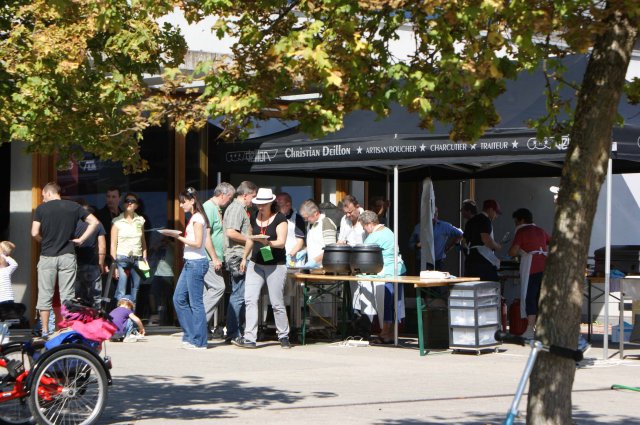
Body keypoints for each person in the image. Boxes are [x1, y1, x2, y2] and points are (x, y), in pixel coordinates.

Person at [31, 182, 100, 336]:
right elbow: (94, 222)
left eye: (43, 196)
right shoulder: (74, 206)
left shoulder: (42, 209)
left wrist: (44, 241)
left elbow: (34, 232)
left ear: (49, 193)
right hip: (67, 255)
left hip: (47, 256)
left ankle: (44, 330)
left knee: (45, 295)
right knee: (67, 295)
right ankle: (66, 329)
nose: (43, 199)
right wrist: (81, 239)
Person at [233, 188, 291, 349]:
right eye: (258, 204)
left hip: (275, 264)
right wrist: (244, 257)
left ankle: (283, 335)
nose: (260, 207)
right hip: (256, 262)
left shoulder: (280, 218)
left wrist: (268, 243)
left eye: (263, 204)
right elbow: (250, 238)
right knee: (250, 299)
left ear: (271, 203)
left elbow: (282, 242)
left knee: (276, 302)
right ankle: (249, 337)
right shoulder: (254, 216)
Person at [166, 187, 211, 350]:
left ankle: (199, 341)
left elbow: (198, 243)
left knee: (195, 303)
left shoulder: (198, 218)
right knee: (178, 299)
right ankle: (191, 335)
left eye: (183, 202)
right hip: (190, 262)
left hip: (196, 263)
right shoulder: (195, 217)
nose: (181, 205)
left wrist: (178, 237)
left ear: (192, 201)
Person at [358, 210, 406, 344]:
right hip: (399, 269)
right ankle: (392, 334)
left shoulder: (373, 237)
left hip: (387, 272)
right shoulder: (388, 231)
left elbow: (363, 256)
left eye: (364, 227)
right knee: (396, 303)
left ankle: (385, 333)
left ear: (369, 224)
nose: (365, 230)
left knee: (387, 304)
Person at [508, 208, 550, 339]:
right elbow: (552, 241)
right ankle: (543, 328)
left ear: (521, 220)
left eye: (516, 222)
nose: (515, 224)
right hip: (545, 267)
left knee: (529, 298)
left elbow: (513, 252)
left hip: (532, 267)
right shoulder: (540, 230)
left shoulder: (521, 231)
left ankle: (530, 328)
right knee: (541, 298)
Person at [223, 181, 258, 343]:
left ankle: (235, 331)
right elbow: (231, 232)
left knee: (240, 294)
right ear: (245, 195)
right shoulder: (236, 208)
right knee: (239, 295)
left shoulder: (239, 208)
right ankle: (234, 333)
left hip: (239, 255)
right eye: (253, 196)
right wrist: (251, 240)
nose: (254, 200)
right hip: (237, 256)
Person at [202, 182, 235, 331]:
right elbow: (206, 235)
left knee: (207, 291)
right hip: (209, 258)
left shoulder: (216, 208)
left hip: (214, 257)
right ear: (222, 195)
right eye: (229, 198)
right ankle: (199, 323)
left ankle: (200, 327)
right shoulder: (209, 208)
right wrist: (215, 258)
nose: (229, 201)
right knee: (218, 287)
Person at [111, 192, 147, 303]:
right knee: (121, 289)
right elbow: (113, 244)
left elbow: (143, 241)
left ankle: (132, 314)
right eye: (127, 201)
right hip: (122, 258)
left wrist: (145, 258)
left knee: (135, 288)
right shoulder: (117, 221)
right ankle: (120, 313)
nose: (129, 203)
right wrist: (114, 266)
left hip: (138, 258)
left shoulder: (140, 220)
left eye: (132, 201)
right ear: (123, 204)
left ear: (137, 205)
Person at [409, 207, 463, 272]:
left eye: (436, 212)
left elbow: (461, 234)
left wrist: (450, 246)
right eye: (432, 212)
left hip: (438, 262)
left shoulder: (445, 226)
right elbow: (410, 245)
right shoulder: (418, 227)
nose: (435, 214)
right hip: (422, 263)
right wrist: (417, 245)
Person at [74, 201, 107, 307]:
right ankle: (95, 316)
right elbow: (102, 246)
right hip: (92, 264)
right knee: (95, 297)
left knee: (78, 297)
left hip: (76, 264)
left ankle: (79, 316)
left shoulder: (74, 224)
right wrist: (101, 263)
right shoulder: (98, 224)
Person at [462, 199, 502, 281]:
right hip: (482, 261)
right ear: (490, 209)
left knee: (471, 284)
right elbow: (485, 239)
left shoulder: (470, 221)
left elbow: (464, 242)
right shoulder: (485, 220)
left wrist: (469, 254)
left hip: (470, 260)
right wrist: (497, 246)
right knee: (488, 285)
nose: (496, 216)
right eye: (496, 212)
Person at [299, 199, 337, 267]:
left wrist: (314, 261)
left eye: (307, 218)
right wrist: (305, 250)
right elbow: (315, 244)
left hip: (325, 268)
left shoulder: (326, 223)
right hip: (314, 269)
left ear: (315, 213)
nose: (305, 220)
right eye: (304, 218)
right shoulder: (310, 224)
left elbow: (330, 250)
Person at [276, 192, 306, 266]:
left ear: (288, 205)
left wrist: (289, 256)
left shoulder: (297, 219)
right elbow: (265, 242)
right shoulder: (268, 219)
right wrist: (267, 259)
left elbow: (300, 242)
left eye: (279, 205)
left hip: (292, 259)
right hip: (274, 261)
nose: (276, 208)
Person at [96, 186, 121, 253]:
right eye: (108, 196)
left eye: (113, 197)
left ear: (119, 198)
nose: (110, 199)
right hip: (106, 253)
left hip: (122, 252)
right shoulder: (99, 215)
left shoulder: (123, 215)